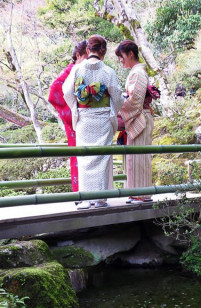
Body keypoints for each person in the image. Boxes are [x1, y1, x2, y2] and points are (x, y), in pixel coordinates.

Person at [62, 35, 123, 210]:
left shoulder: (77, 70)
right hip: (103, 118)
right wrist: (111, 110)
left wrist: (77, 107)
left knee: (85, 157)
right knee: (101, 157)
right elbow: (117, 97)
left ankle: (85, 198)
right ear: (103, 52)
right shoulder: (108, 72)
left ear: (88, 50)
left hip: (84, 119)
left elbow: (67, 92)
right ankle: (100, 199)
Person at [116, 40, 155, 204]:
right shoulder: (138, 72)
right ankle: (137, 192)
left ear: (130, 54)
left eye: (121, 56)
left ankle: (141, 193)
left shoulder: (137, 73)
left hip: (140, 116)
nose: (121, 60)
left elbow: (136, 100)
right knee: (137, 157)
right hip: (141, 115)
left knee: (139, 157)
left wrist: (119, 112)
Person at [48, 40, 88, 192]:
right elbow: (53, 93)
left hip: (89, 119)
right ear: (78, 55)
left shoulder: (86, 69)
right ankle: (81, 193)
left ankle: (93, 194)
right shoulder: (70, 71)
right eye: (87, 56)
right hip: (76, 120)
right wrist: (74, 112)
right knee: (79, 157)